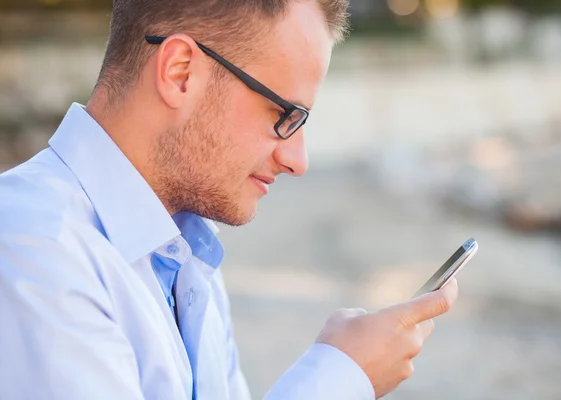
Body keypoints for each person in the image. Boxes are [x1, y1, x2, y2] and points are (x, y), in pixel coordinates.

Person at [0, 0, 459, 399]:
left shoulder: (185, 250)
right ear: (180, 72)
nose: (298, 160)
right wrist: (342, 377)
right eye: (284, 114)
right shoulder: (32, 250)